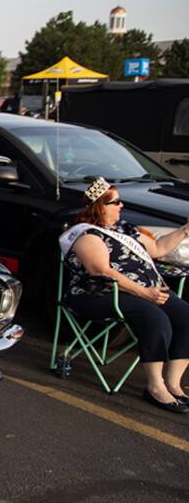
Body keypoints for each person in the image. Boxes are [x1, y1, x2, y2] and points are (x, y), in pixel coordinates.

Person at [60, 177, 189, 414]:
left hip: (143, 293)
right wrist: (145, 293)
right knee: (155, 318)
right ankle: (155, 387)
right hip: (98, 295)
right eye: (116, 202)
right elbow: (101, 271)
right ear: (100, 206)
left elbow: (158, 249)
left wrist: (185, 230)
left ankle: (173, 384)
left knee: (186, 316)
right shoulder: (87, 235)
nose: (121, 206)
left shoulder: (124, 229)